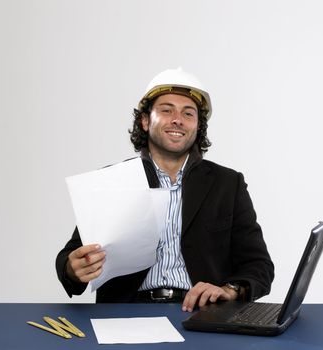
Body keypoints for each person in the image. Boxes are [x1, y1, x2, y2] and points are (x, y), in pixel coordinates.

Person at [56, 68, 274, 312]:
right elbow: (69, 257)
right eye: (166, 110)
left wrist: (228, 290)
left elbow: (259, 266)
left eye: (188, 113)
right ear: (145, 120)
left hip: (203, 312)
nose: (177, 119)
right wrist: (73, 269)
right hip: (126, 312)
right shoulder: (113, 181)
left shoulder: (228, 184)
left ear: (197, 126)